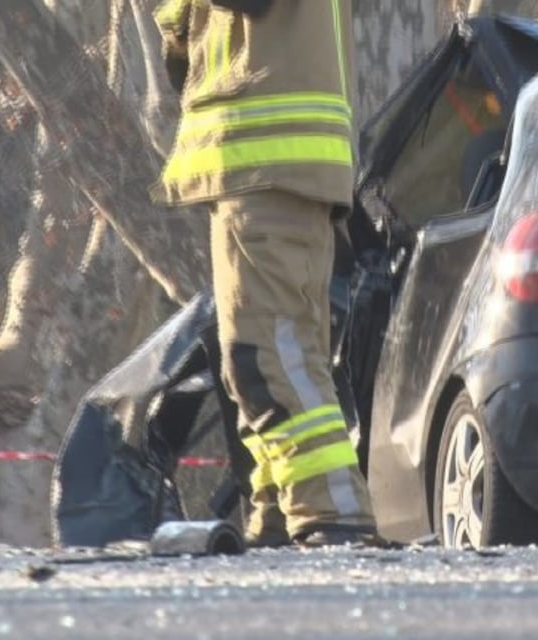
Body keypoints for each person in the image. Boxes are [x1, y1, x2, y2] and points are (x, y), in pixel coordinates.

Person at [152, 0, 377, 548]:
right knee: (260, 357)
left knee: (269, 356)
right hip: (270, 165)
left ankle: (334, 511)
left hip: (269, 163)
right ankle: (279, 510)